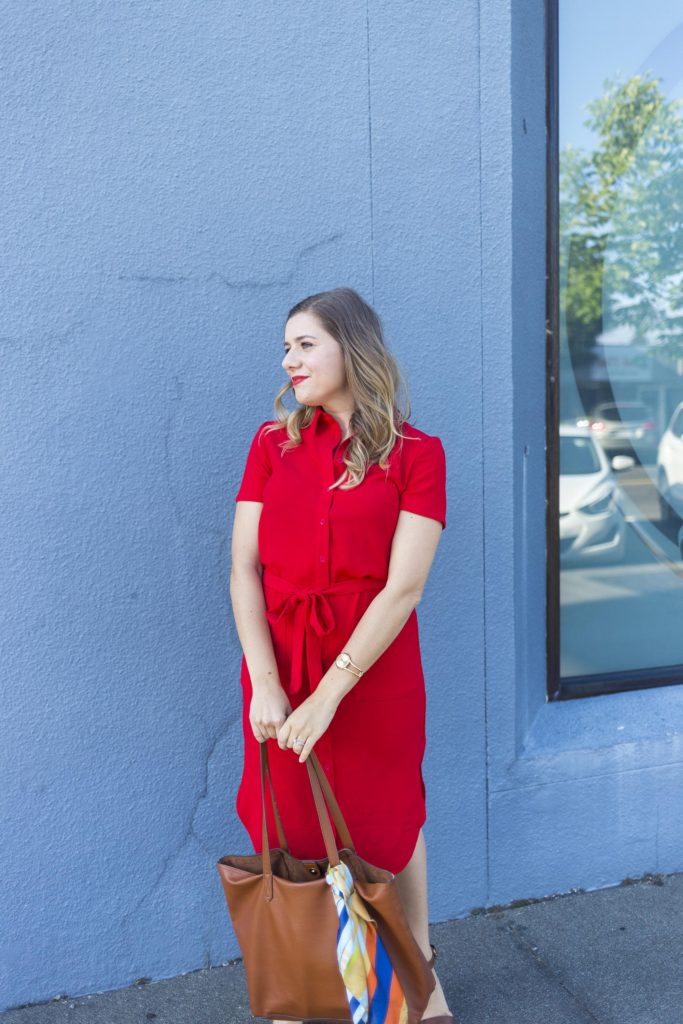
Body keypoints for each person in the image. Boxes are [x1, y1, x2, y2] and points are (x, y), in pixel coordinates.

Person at [229, 286, 455, 1024]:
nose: (288, 359)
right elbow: (243, 570)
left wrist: (329, 695)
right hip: (280, 661)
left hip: (372, 666)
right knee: (289, 824)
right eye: (285, 346)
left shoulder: (418, 454)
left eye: (304, 344)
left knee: (389, 818)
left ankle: (418, 978)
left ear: (350, 348)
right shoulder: (271, 445)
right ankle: (314, 982)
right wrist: (270, 686)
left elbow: (403, 588)